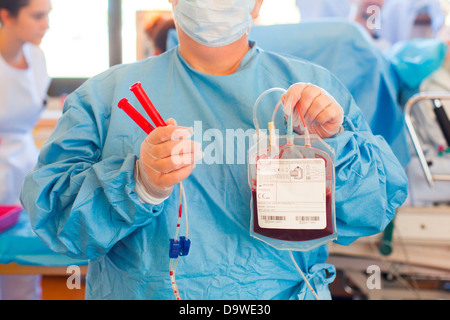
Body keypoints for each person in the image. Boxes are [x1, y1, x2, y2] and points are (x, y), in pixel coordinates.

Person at [21, 0, 407, 300]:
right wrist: (138, 183)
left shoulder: (312, 91)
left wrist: (332, 147)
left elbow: (373, 208)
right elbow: (57, 223)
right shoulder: (105, 98)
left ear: (257, 4)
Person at [0, 0, 51, 300]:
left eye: (47, 15)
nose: (46, 24)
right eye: (37, 16)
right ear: (5, 15)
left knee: (23, 277)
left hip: (25, 169)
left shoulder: (38, 57)